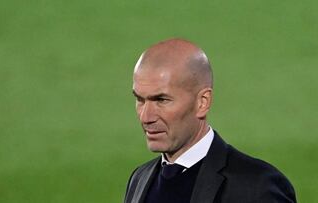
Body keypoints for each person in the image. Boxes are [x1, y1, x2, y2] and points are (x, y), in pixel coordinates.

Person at [124, 38, 296, 203]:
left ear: (202, 102)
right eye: (140, 100)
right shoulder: (140, 179)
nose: (146, 117)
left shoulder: (257, 187)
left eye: (161, 100)